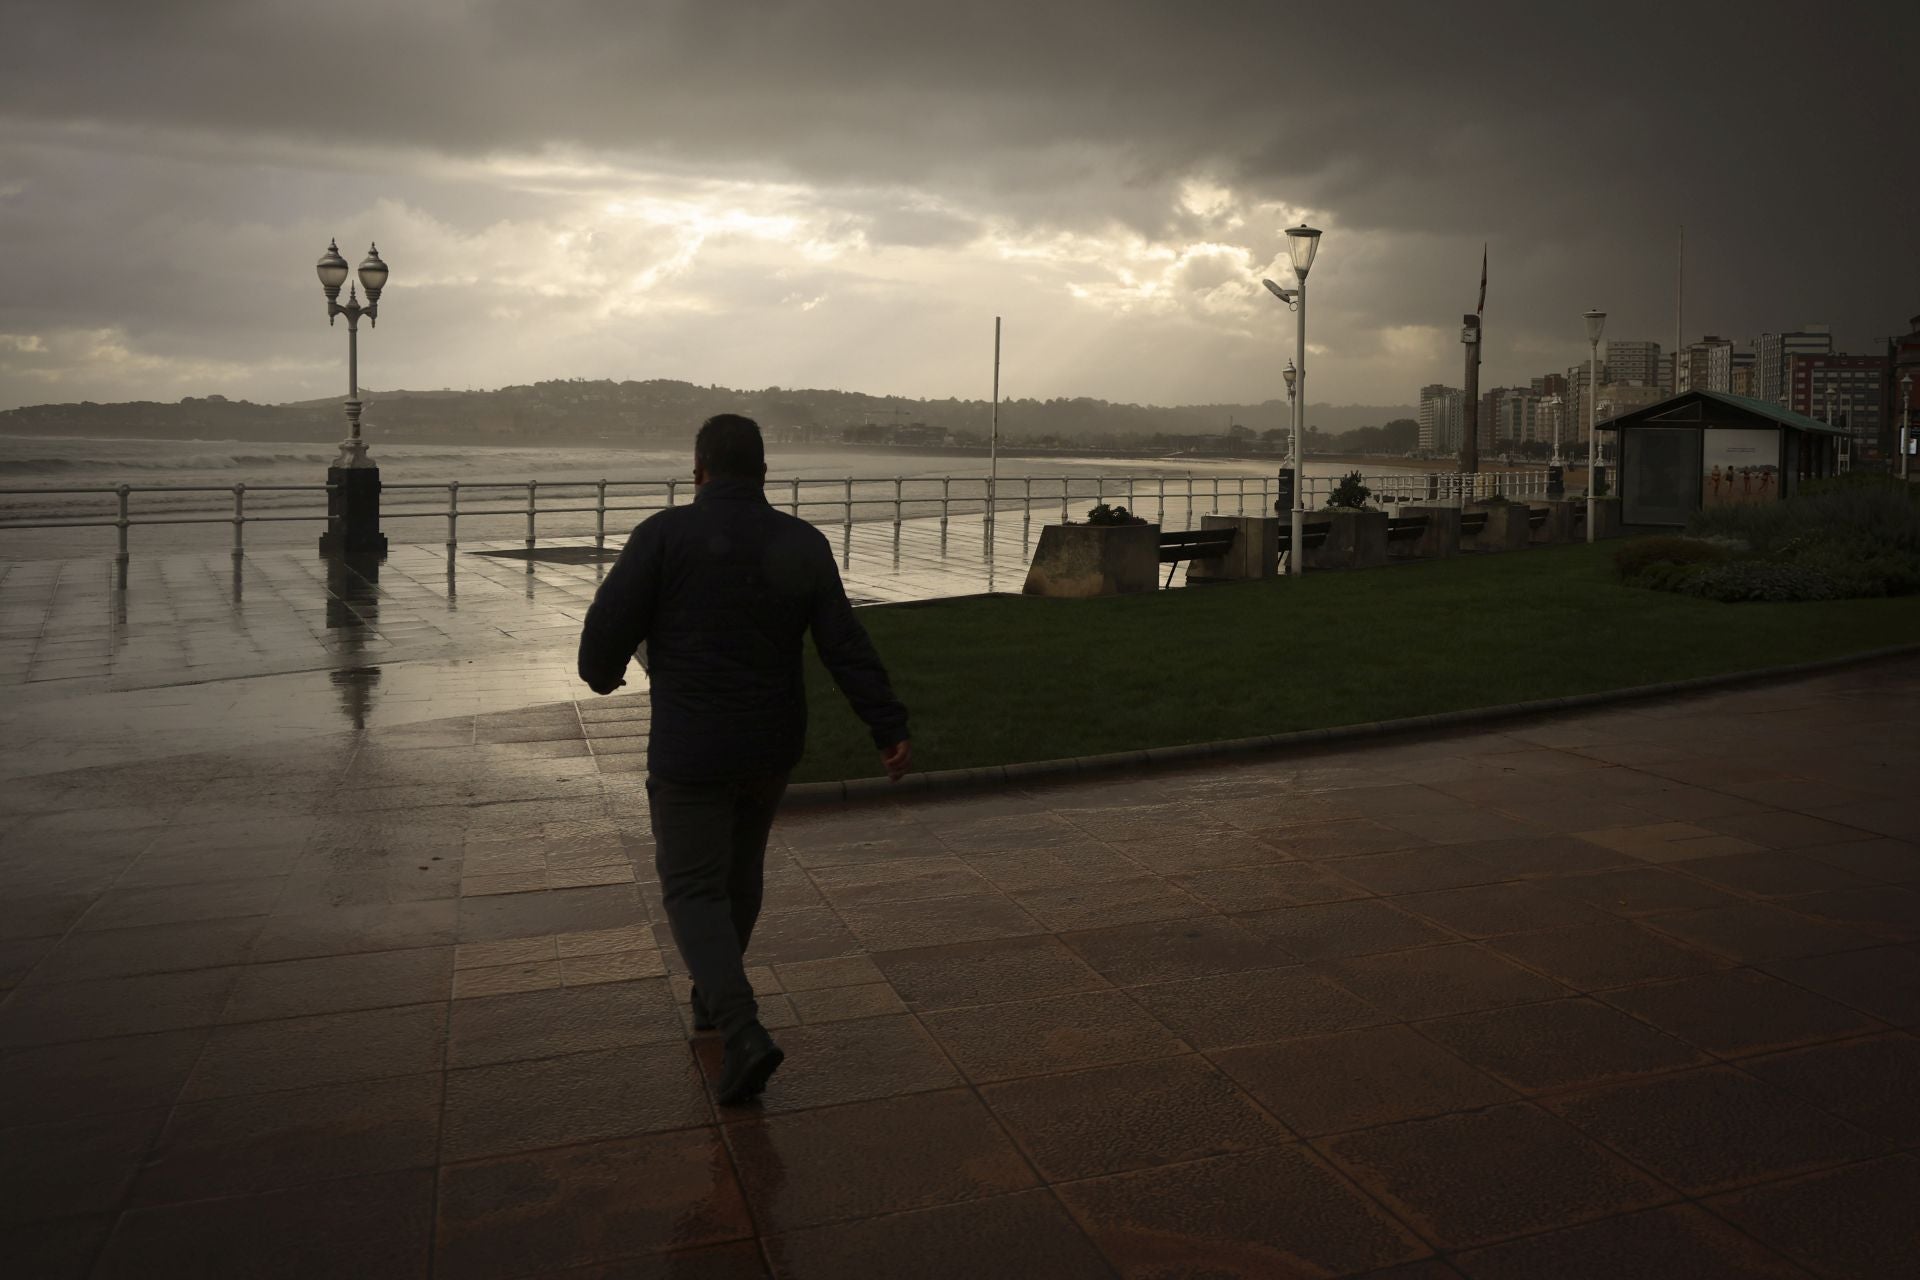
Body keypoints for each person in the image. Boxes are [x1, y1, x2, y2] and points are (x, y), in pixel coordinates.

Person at [577, 414, 912, 1104]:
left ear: (698, 471)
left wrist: (605, 675)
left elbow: (602, 641)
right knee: (739, 877)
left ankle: (742, 1030)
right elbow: (844, 645)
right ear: (763, 473)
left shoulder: (662, 536)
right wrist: (886, 725)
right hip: (770, 747)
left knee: (692, 888)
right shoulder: (802, 542)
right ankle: (712, 995)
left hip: (692, 749)